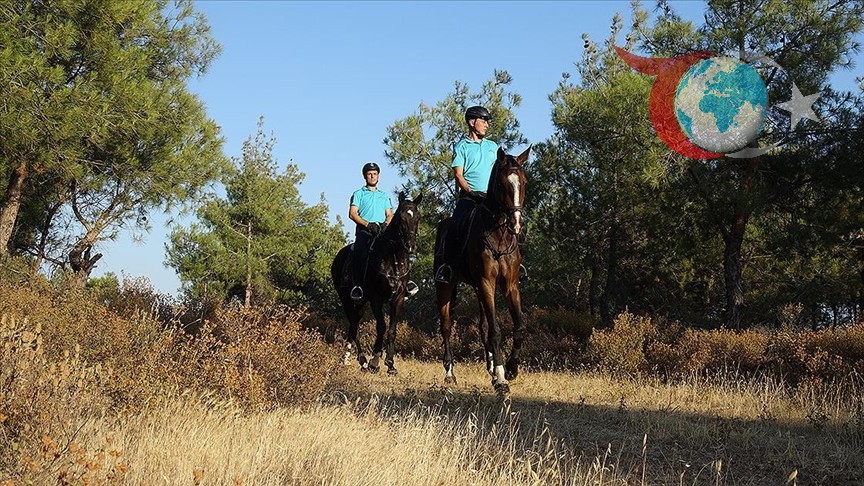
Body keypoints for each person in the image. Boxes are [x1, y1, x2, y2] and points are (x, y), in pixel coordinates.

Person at [434, 106, 527, 284]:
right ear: (472, 122)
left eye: (487, 121)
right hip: (469, 198)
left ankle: (518, 265)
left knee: (519, 223)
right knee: (454, 225)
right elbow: (458, 175)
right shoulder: (461, 146)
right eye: (483, 121)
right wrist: (471, 192)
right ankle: (448, 267)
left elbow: (503, 170)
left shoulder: (492, 147)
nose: (486, 125)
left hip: (492, 199)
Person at [349, 162, 419, 301]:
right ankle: (358, 286)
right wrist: (368, 224)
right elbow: (352, 214)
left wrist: (385, 224)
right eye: (369, 174)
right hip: (365, 232)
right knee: (360, 250)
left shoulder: (384, 196)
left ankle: (406, 283)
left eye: (375, 174)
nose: (372, 176)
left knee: (400, 248)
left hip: (381, 231)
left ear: (378, 176)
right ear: (365, 176)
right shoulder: (358, 194)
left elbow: (389, 214)